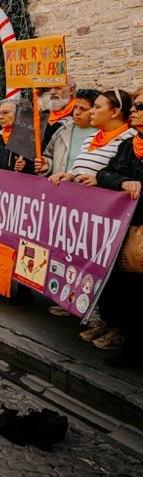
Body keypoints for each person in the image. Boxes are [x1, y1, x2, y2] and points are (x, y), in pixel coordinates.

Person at [95, 86, 143, 366]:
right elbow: (105, 173)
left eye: (140, 107)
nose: (134, 112)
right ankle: (131, 345)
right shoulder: (129, 145)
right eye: (134, 106)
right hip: (129, 228)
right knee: (129, 289)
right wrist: (122, 182)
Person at [50, 90, 134, 186]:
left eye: (97, 107)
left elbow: (129, 180)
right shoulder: (91, 137)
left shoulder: (130, 141)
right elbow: (78, 169)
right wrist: (69, 175)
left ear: (114, 112)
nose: (91, 111)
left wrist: (101, 181)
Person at [35, 89, 98, 178]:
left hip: (85, 189)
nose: (77, 112)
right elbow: (48, 155)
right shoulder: (62, 129)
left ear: (94, 111)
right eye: (75, 107)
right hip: (58, 187)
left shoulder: (103, 135)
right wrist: (47, 166)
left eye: (83, 109)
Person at [0, 99, 36, 173]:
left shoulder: (31, 140)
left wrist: (26, 167)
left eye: (5, 113)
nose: (0, 117)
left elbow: (41, 169)